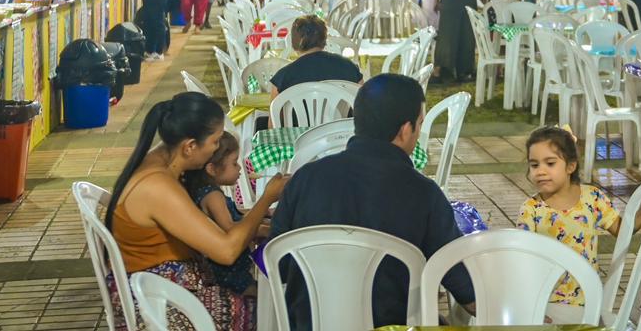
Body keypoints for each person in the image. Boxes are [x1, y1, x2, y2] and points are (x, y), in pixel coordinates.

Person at [270, 75, 475, 329]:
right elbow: (464, 286)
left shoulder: (305, 179)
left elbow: (275, 264)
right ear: (405, 130)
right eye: (419, 124)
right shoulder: (425, 194)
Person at [106, 94, 285, 331]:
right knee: (279, 309)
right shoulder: (157, 187)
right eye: (215, 141)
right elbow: (228, 251)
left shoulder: (159, 161)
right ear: (190, 146)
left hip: (162, 285)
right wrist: (267, 197)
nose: (216, 150)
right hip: (159, 304)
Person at [517, 126, 641, 312]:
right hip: (544, 302)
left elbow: (621, 231)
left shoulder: (593, 198)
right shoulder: (531, 210)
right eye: (534, 165)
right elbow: (520, 259)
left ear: (571, 166)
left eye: (550, 163)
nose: (540, 171)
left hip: (587, 298)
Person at [181, 132, 258, 295]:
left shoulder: (204, 190)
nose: (239, 169)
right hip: (230, 274)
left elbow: (235, 213)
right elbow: (230, 228)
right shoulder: (213, 196)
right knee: (262, 293)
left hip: (224, 268)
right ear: (212, 169)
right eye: (234, 163)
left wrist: (263, 214)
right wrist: (261, 225)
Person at [269, 17, 362, 92]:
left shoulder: (282, 78)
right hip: (342, 116)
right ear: (324, 40)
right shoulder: (350, 68)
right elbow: (365, 103)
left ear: (293, 43)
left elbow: (274, 114)